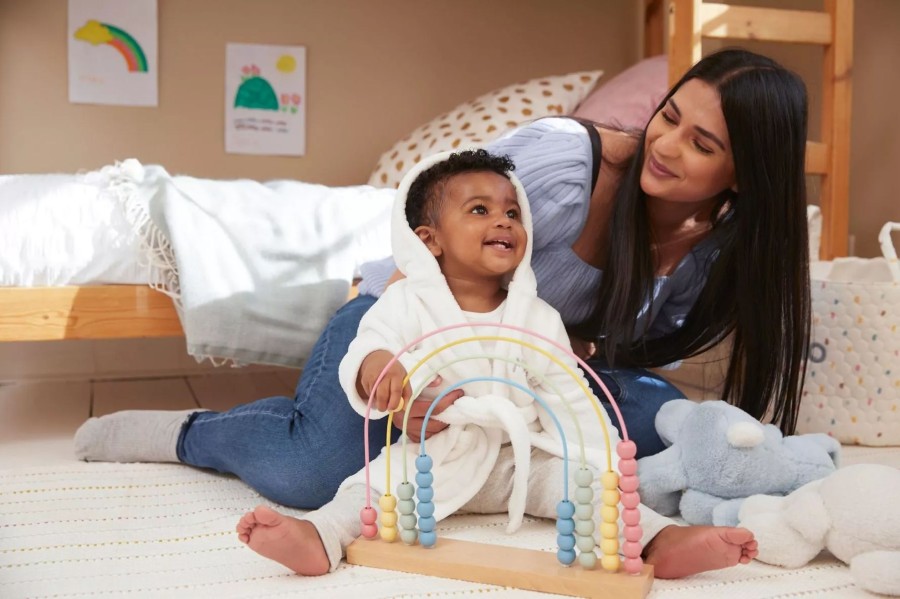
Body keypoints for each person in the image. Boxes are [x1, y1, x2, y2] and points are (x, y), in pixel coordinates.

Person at [74, 48, 808, 573]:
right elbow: (432, 225)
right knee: (315, 472)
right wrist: (401, 376)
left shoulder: (713, 249)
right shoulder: (560, 164)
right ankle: (192, 435)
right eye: (669, 116)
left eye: (701, 142)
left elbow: (587, 360)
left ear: (744, 175)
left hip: (514, 365)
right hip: (411, 328)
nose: (667, 144)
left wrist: (569, 417)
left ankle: (658, 533)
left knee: (619, 444)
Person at [235, 148, 758, 578]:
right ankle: (320, 538)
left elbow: (566, 387)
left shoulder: (536, 313)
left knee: (592, 493)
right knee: (371, 486)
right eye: (479, 210)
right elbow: (370, 347)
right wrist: (378, 367)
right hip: (437, 452)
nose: (503, 221)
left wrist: (593, 454)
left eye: (512, 212)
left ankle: (661, 542)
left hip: (525, 458)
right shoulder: (408, 302)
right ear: (429, 240)